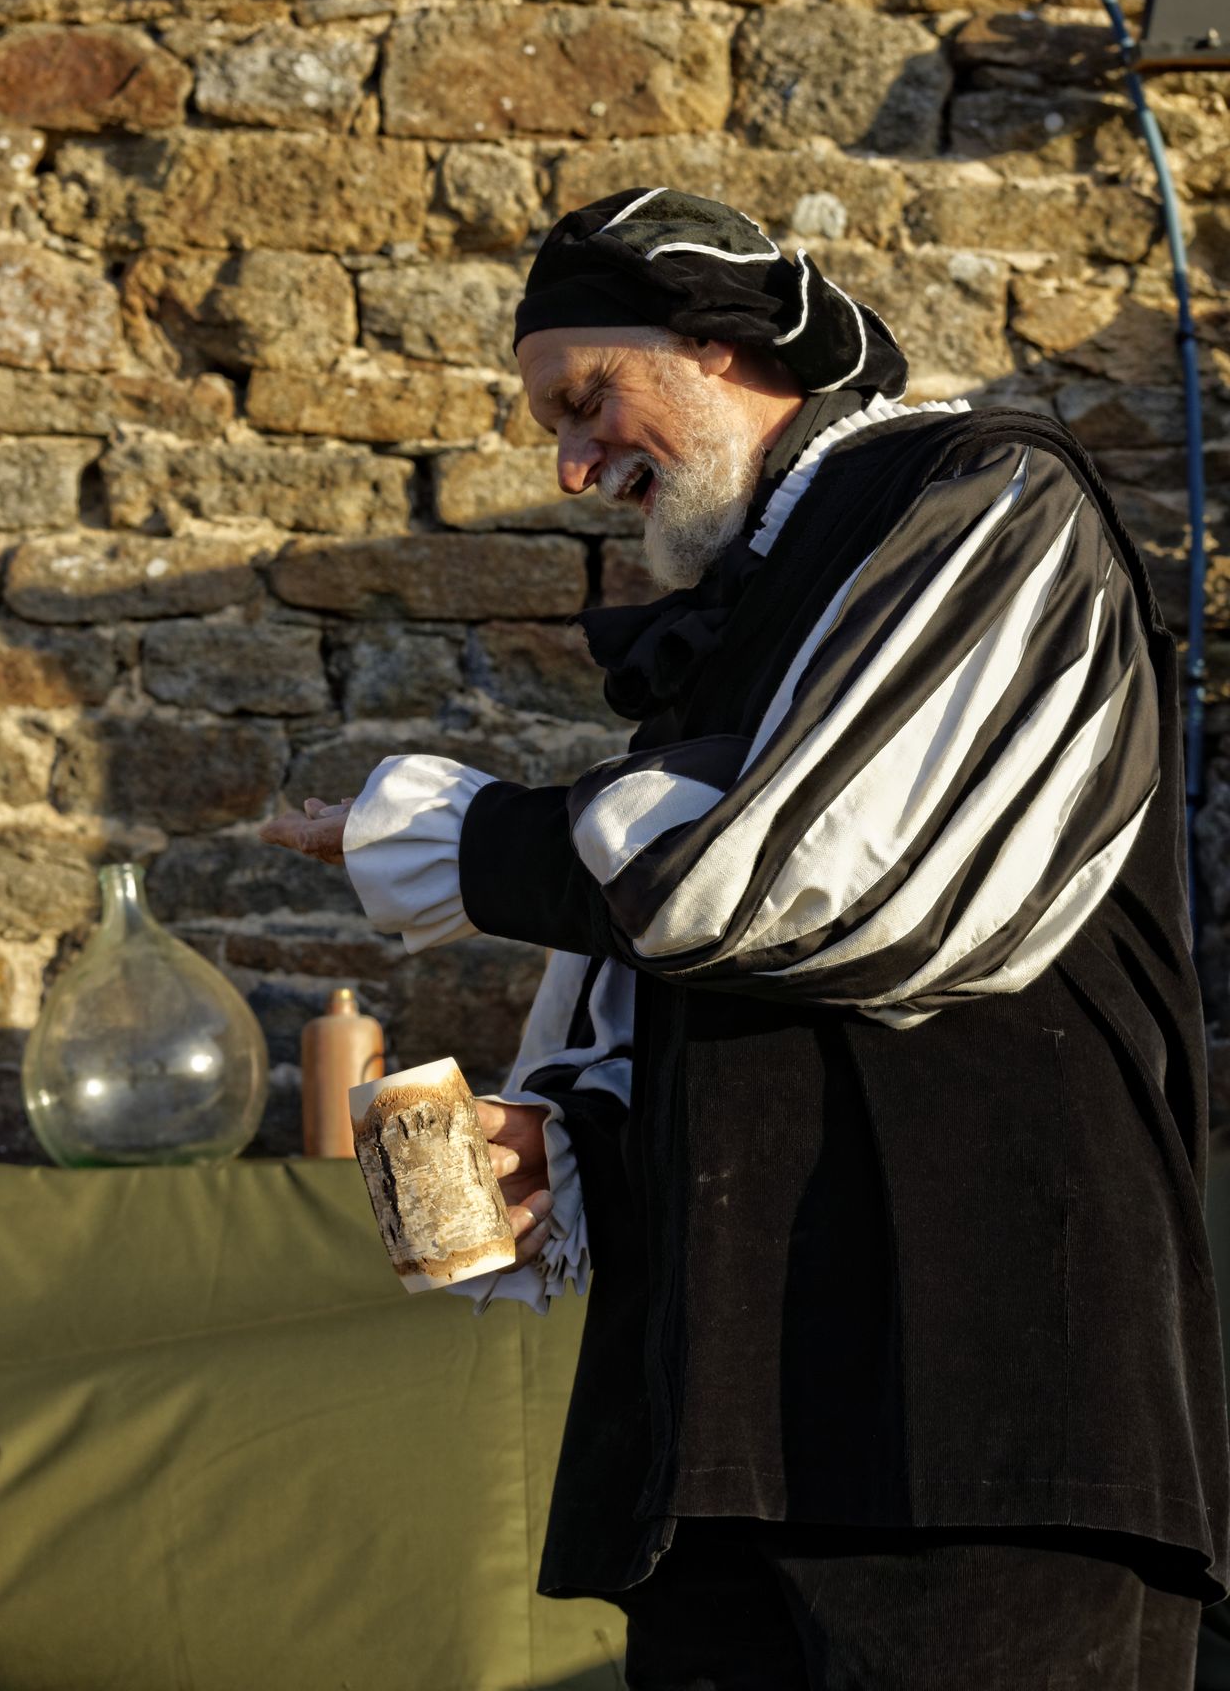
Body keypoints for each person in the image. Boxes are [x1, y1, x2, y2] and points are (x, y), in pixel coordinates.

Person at [261, 188, 1230, 1690]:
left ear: (724, 347)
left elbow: (825, 887)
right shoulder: (744, 610)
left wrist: (462, 837)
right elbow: (726, 993)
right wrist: (574, 1139)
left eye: (588, 401)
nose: (576, 466)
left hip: (985, 1425)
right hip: (727, 1440)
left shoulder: (990, 497)